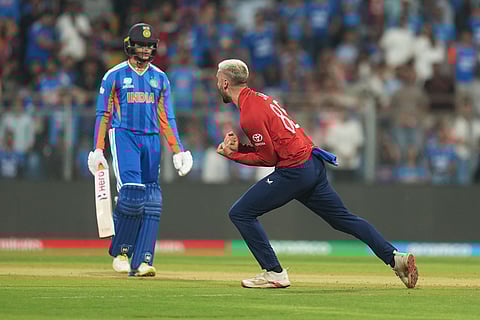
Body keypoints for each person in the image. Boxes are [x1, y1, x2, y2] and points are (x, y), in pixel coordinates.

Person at [215, 59, 418, 289]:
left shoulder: (249, 114)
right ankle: (395, 258)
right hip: (312, 162)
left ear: (224, 83)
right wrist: (239, 148)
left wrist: (233, 155)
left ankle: (274, 272)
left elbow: (267, 158)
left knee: (241, 213)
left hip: (294, 170)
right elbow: (273, 145)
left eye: (216, 80)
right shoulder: (261, 99)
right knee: (344, 219)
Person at [87, 23, 193, 277]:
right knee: (134, 194)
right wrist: (98, 149)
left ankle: (143, 260)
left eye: (149, 45)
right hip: (124, 136)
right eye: (140, 44)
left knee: (152, 199)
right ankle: (122, 252)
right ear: (129, 45)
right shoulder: (114, 75)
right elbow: (104, 114)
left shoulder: (160, 78)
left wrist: (178, 149)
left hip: (151, 139)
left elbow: (167, 117)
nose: (145, 49)